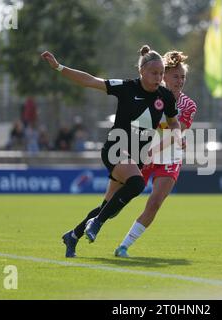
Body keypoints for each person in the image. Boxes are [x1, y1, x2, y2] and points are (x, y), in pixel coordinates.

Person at [41, 45, 181, 257]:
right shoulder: (126, 87)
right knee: (137, 184)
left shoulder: (166, 97)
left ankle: (73, 236)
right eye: (154, 73)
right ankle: (96, 223)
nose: (158, 77)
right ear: (141, 71)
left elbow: (174, 123)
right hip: (115, 149)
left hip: (136, 158)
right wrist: (59, 67)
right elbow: (90, 81)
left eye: (161, 73)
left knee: (110, 208)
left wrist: (176, 135)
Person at [113, 50, 198, 257]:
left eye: (183, 77)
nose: (180, 81)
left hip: (169, 157)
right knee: (116, 204)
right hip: (142, 154)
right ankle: (93, 223)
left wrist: (154, 150)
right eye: (175, 76)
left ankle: (124, 246)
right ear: (164, 76)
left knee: (154, 202)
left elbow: (175, 134)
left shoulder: (188, 105)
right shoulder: (151, 94)